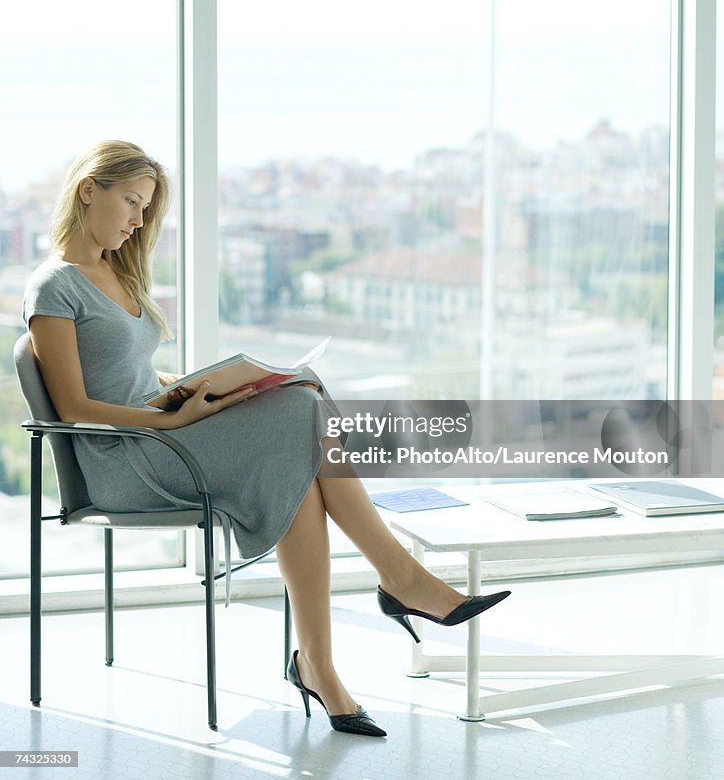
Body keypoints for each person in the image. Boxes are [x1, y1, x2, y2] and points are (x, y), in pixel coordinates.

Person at [22, 140, 511, 738]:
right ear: (88, 189)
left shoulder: (114, 272)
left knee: (298, 468)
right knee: (304, 409)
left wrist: (200, 388)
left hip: (161, 434)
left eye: (147, 208)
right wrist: (176, 419)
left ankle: (320, 667)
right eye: (131, 201)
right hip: (126, 461)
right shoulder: (55, 287)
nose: (139, 220)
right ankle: (399, 579)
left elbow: (132, 378)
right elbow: (75, 408)